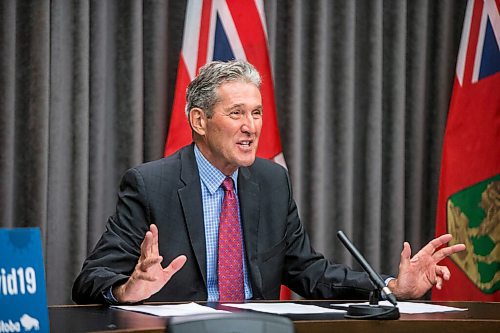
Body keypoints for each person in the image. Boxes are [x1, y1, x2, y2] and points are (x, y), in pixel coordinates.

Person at [72, 60, 465, 304]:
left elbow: (310, 273)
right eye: (237, 113)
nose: (250, 127)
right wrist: (130, 289)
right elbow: (91, 279)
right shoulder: (150, 184)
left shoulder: (271, 181)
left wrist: (391, 286)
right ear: (198, 121)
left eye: (257, 113)